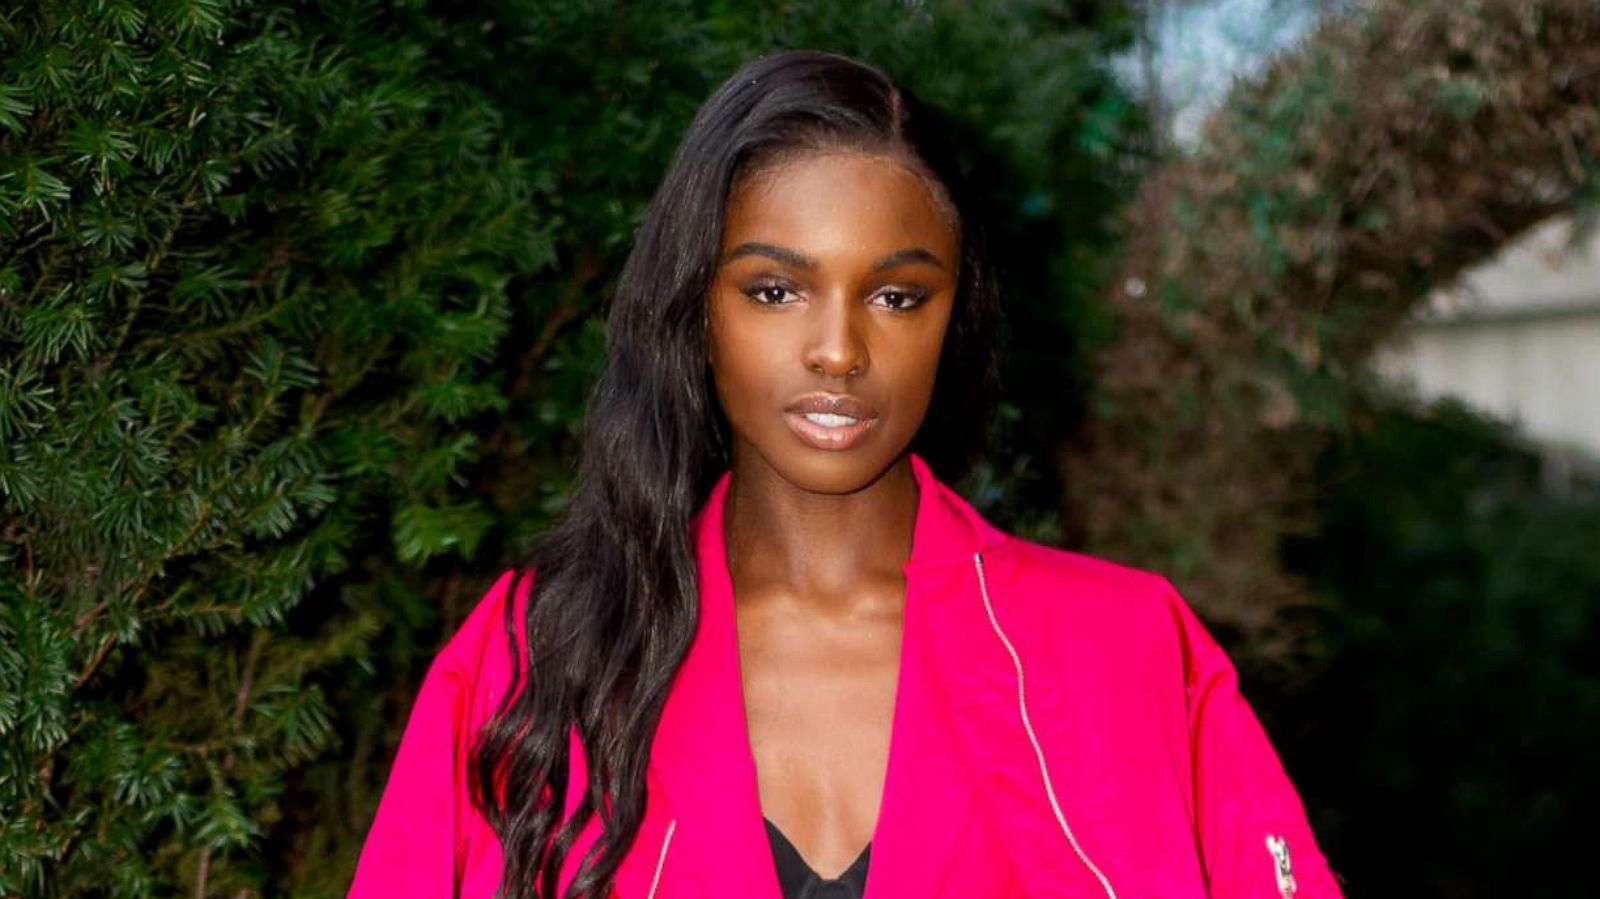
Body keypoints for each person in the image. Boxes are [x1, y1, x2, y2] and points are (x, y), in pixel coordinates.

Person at [348, 50, 1343, 899]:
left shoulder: (1128, 647)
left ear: (954, 319)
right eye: (774, 288)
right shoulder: (537, 650)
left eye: (898, 294)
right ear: (696, 306)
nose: (838, 348)